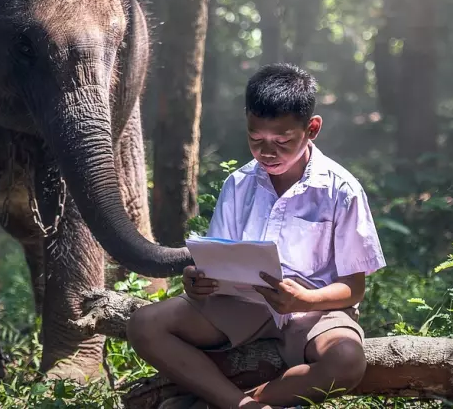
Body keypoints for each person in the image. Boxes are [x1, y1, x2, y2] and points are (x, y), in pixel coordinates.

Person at [126, 63, 387, 409]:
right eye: (255, 139)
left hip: (316, 311)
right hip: (242, 304)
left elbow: (353, 288)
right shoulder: (239, 185)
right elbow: (217, 262)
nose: (267, 152)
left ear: (312, 128)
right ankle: (240, 405)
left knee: (347, 360)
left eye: (282, 141)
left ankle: (242, 400)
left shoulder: (341, 190)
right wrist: (197, 281)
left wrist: (304, 300)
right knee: (145, 324)